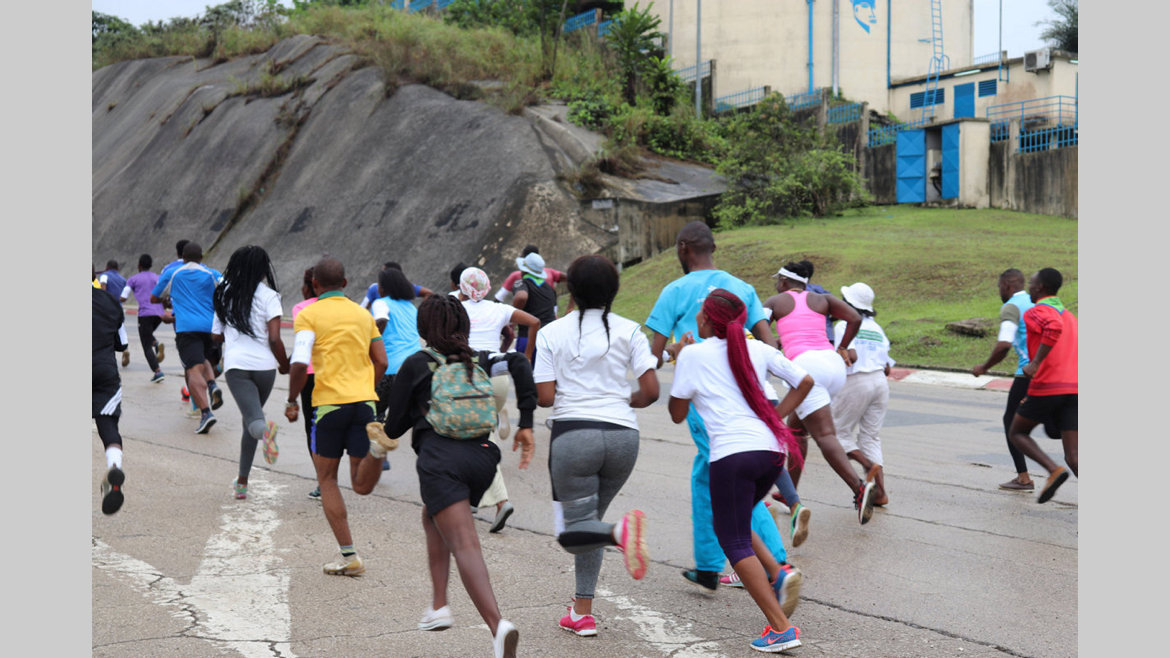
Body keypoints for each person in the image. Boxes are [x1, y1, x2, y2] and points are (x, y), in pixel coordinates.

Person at [380, 294, 535, 658]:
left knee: (464, 542)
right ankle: (439, 606)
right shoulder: (481, 358)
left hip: (441, 460)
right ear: (464, 325)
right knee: (433, 515)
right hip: (483, 459)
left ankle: (498, 626)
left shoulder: (417, 363)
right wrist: (526, 422)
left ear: (424, 328)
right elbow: (520, 364)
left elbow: (393, 428)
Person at [646, 221, 796, 592]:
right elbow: (768, 343)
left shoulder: (675, 290)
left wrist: (675, 352)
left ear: (683, 248)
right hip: (747, 391)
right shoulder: (741, 287)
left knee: (734, 482)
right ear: (712, 248)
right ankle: (709, 565)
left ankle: (777, 566)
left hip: (707, 401)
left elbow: (653, 356)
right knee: (704, 477)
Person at [669, 289, 813, 653]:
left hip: (733, 456)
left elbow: (676, 413)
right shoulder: (758, 349)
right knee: (737, 518)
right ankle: (777, 572)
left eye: (700, 313)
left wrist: (679, 359)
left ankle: (780, 628)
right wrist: (774, 418)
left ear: (706, 319)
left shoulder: (693, 355)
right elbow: (806, 382)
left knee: (731, 540)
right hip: (772, 454)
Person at [533, 254, 658, 637]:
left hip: (575, 436)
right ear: (614, 290)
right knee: (590, 525)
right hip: (623, 438)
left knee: (572, 534)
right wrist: (621, 400)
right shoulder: (631, 330)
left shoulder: (551, 332)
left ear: (570, 290)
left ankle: (619, 534)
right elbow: (651, 391)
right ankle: (581, 612)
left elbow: (545, 397)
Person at [285, 257, 389, 575]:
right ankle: (377, 452)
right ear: (345, 283)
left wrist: (291, 399)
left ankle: (350, 556)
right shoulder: (363, 314)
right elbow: (382, 361)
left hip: (329, 406)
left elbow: (300, 362)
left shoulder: (309, 314)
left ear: (314, 285)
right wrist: (366, 389)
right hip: (365, 404)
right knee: (360, 484)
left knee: (327, 479)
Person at [764, 260, 878, 526]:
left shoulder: (775, 301)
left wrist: (776, 346)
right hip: (833, 365)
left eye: (777, 280)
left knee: (825, 435)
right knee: (796, 431)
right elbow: (854, 317)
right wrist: (843, 346)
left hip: (806, 369)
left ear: (783, 281)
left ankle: (859, 488)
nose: (777, 284)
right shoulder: (822, 299)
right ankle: (789, 493)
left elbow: (759, 330)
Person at [457, 267, 541, 532]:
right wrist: (526, 355)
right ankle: (475, 497)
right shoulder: (498, 308)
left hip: (470, 375)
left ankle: (497, 500)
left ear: (461, 288)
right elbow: (534, 322)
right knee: (481, 436)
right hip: (499, 377)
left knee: (471, 438)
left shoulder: (456, 306)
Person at [212, 246, 291, 500]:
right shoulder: (270, 296)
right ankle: (242, 482)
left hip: (238, 368)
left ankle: (266, 433)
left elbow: (215, 336)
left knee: (254, 421)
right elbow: (275, 338)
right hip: (265, 368)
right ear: (263, 269)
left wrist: (231, 331)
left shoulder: (224, 294)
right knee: (251, 419)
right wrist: (284, 364)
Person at [972, 268, 1061, 491]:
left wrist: (984, 367)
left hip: (1028, 373)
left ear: (1007, 286)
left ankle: (1024, 478)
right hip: (1056, 370)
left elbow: (1004, 344)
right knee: (1057, 424)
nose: (999, 291)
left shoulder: (1011, 306)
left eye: (999, 287)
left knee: (1012, 423)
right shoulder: (1040, 303)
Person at [1007, 268, 1078, 504]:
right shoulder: (1070, 317)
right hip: (1075, 388)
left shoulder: (1037, 311)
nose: (1028, 287)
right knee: (1074, 456)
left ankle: (1053, 470)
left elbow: (1053, 327)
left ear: (1040, 288)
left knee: (1017, 432)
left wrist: (1035, 363)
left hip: (1049, 385)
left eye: (1031, 283)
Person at [831, 282, 895, 507]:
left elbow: (850, 357)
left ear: (847, 303)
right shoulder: (876, 329)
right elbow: (887, 368)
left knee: (835, 434)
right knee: (870, 436)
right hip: (880, 383)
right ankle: (881, 492)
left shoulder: (844, 325)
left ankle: (867, 464)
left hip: (857, 381)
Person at [151, 242, 225, 434]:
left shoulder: (173, 273)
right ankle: (212, 384)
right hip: (209, 328)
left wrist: (170, 300)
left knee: (192, 370)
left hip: (186, 328)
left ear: (183, 257)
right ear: (201, 257)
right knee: (204, 360)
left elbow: (154, 297)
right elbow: (226, 290)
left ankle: (205, 413)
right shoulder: (212, 273)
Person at [371, 267, 424, 471]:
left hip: (390, 368)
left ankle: (380, 455)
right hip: (416, 369)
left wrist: (370, 341)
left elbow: (382, 319)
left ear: (384, 287)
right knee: (417, 414)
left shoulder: (380, 303)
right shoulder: (411, 307)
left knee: (376, 411)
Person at [94, 284, 130, 515]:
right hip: (104, 372)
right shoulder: (109, 301)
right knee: (108, 426)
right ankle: (114, 467)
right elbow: (122, 343)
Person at [290, 267, 321, 500]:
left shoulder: (301, 308)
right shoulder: (347, 306)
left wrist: (290, 399)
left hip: (310, 374)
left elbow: (303, 349)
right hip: (339, 372)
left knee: (313, 428)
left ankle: (323, 479)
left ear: (307, 286)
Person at [121, 254, 166, 383]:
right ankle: (156, 343)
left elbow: (124, 296)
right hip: (159, 314)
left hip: (145, 314)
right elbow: (164, 293)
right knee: (148, 335)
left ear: (139, 266)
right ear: (150, 265)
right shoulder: (157, 277)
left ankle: (157, 372)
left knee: (146, 345)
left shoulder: (133, 279)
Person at [510, 252, 557, 362]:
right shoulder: (549, 288)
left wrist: (513, 317)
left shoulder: (522, 283)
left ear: (524, 271)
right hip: (549, 340)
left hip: (527, 339)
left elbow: (521, 297)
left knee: (525, 370)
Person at [493, 244, 567, 304]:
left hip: (526, 315)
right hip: (551, 316)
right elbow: (571, 278)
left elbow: (499, 297)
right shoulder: (550, 273)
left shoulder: (516, 277)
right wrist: (570, 306)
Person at [360, 261, 434, 311]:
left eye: (384, 272)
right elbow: (363, 308)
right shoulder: (375, 288)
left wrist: (421, 311)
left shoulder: (406, 286)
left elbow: (428, 293)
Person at [99, 260, 130, 365]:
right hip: (118, 308)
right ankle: (125, 349)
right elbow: (124, 295)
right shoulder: (123, 279)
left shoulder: (104, 276)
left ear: (107, 267)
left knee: (106, 330)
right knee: (121, 328)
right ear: (117, 268)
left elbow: (103, 288)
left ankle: (107, 355)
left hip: (107, 307)